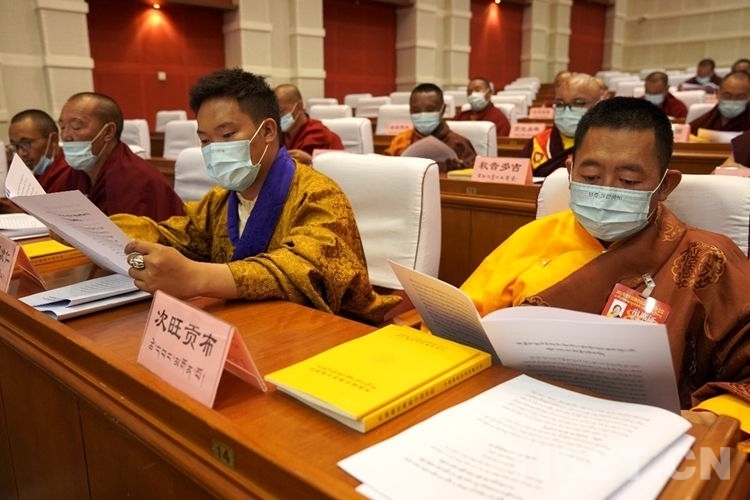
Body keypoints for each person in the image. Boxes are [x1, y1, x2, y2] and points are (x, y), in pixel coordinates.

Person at [460, 97, 750, 426]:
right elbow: (463, 326)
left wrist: (704, 421)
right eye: (591, 177)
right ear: (570, 173)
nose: (607, 192)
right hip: (518, 412)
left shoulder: (706, 260)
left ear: (665, 186)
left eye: (628, 182)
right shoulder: (534, 237)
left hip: (644, 430)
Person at [112, 68, 399, 325]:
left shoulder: (318, 194)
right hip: (253, 321)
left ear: (269, 131)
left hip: (332, 329)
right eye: (205, 140)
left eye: (227, 135)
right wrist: (106, 231)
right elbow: (177, 234)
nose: (214, 150)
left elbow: (301, 271)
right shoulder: (220, 199)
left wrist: (197, 277)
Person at [57, 92, 185, 220]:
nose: (65, 136)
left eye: (76, 127)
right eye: (62, 127)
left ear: (108, 132)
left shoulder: (138, 180)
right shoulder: (76, 174)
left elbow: (135, 231)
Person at [520, 73, 606, 177]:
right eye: (560, 104)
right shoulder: (538, 142)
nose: (566, 111)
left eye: (578, 103)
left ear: (597, 105)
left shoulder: (608, 144)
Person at [384, 83, 476, 172]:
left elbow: (472, 175)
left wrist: (458, 167)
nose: (423, 114)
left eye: (430, 109)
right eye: (416, 110)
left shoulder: (459, 144)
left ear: (443, 110)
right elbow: (386, 170)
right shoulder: (400, 141)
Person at [7, 109, 87, 193]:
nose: (21, 153)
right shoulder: (38, 173)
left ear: (53, 139)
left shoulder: (72, 172)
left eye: (26, 143)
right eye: (15, 146)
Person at [273, 83, 344, 165]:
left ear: (299, 107)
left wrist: (311, 161)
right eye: (275, 113)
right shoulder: (277, 136)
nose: (277, 118)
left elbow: (338, 167)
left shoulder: (322, 135)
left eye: (281, 111)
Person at [688, 70, 750, 135]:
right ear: (717, 93)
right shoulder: (705, 121)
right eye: (727, 96)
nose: (733, 101)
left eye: (740, 97)